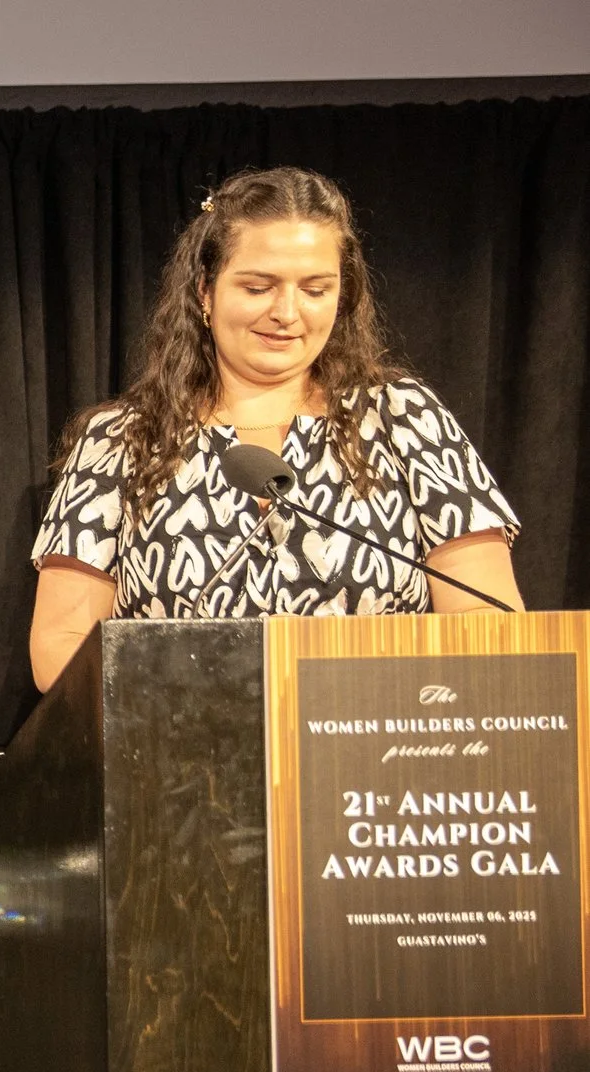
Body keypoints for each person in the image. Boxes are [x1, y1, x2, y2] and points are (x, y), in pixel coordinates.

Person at [27, 166, 524, 692]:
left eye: (315, 289)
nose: (287, 312)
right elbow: (62, 644)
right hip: (181, 736)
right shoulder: (122, 440)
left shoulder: (403, 418)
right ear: (205, 291)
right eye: (258, 287)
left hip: (372, 729)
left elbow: (487, 618)